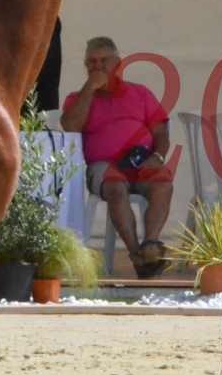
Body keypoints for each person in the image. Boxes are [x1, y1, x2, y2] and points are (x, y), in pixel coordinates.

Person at [60, 35, 173, 278]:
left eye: (103, 61)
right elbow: (70, 127)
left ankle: (151, 244)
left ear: (118, 64)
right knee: (115, 187)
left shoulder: (140, 93)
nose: (97, 67)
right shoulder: (76, 98)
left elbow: (161, 131)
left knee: (163, 181)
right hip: (103, 167)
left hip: (141, 161)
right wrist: (89, 88)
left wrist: (159, 156)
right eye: (91, 62)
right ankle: (137, 256)